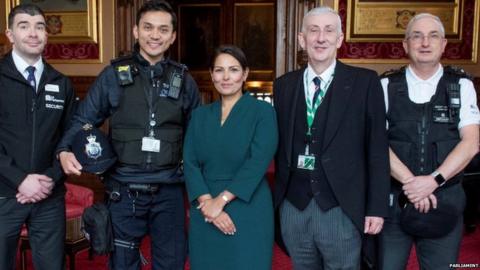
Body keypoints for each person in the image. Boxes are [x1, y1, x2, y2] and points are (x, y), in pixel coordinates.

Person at [55, 1, 200, 269]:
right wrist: (63, 149)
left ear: (172, 36)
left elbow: (199, 134)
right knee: (122, 264)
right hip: (124, 192)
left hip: (169, 191)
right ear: (136, 31)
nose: (154, 35)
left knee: (172, 263)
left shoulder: (184, 80)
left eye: (163, 29)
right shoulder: (112, 75)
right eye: (148, 27)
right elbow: (84, 118)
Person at [273, 6, 390, 269]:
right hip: (294, 207)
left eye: (329, 31)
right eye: (313, 31)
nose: (321, 38)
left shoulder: (365, 82)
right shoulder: (284, 85)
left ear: (339, 39)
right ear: (302, 39)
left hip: (341, 207)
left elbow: (377, 150)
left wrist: (376, 207)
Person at [379, 13, 480, 269]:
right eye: (417, 36)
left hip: (445, 201)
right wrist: (413, 185)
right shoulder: (385, 85)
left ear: (443, 44)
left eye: (433, 36)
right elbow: (376, 143)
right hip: (393, 203)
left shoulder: (462, 85)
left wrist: (433, 181)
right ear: (405, 45)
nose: (425, 42)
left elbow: (470, 144)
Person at [184, 45, 278, 269]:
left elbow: (258, 162)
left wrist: (221, 201)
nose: (226, 77)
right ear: (211, 74)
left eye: (233, 70)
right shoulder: (199, 116)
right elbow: (189, 162)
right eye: (219, 70)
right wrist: (208, 204)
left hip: (248, 205)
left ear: (245, 74)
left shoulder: (263, 112)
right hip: (204, 209)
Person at [0, 4, 77, 270]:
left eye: (40, 26)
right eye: (24, 26)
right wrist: (20, 180)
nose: (33, 33)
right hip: (4, 195)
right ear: (10, 34)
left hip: (48, 196)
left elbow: (70, 139)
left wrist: (49, 180)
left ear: (46, 35)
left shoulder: (61, 82)